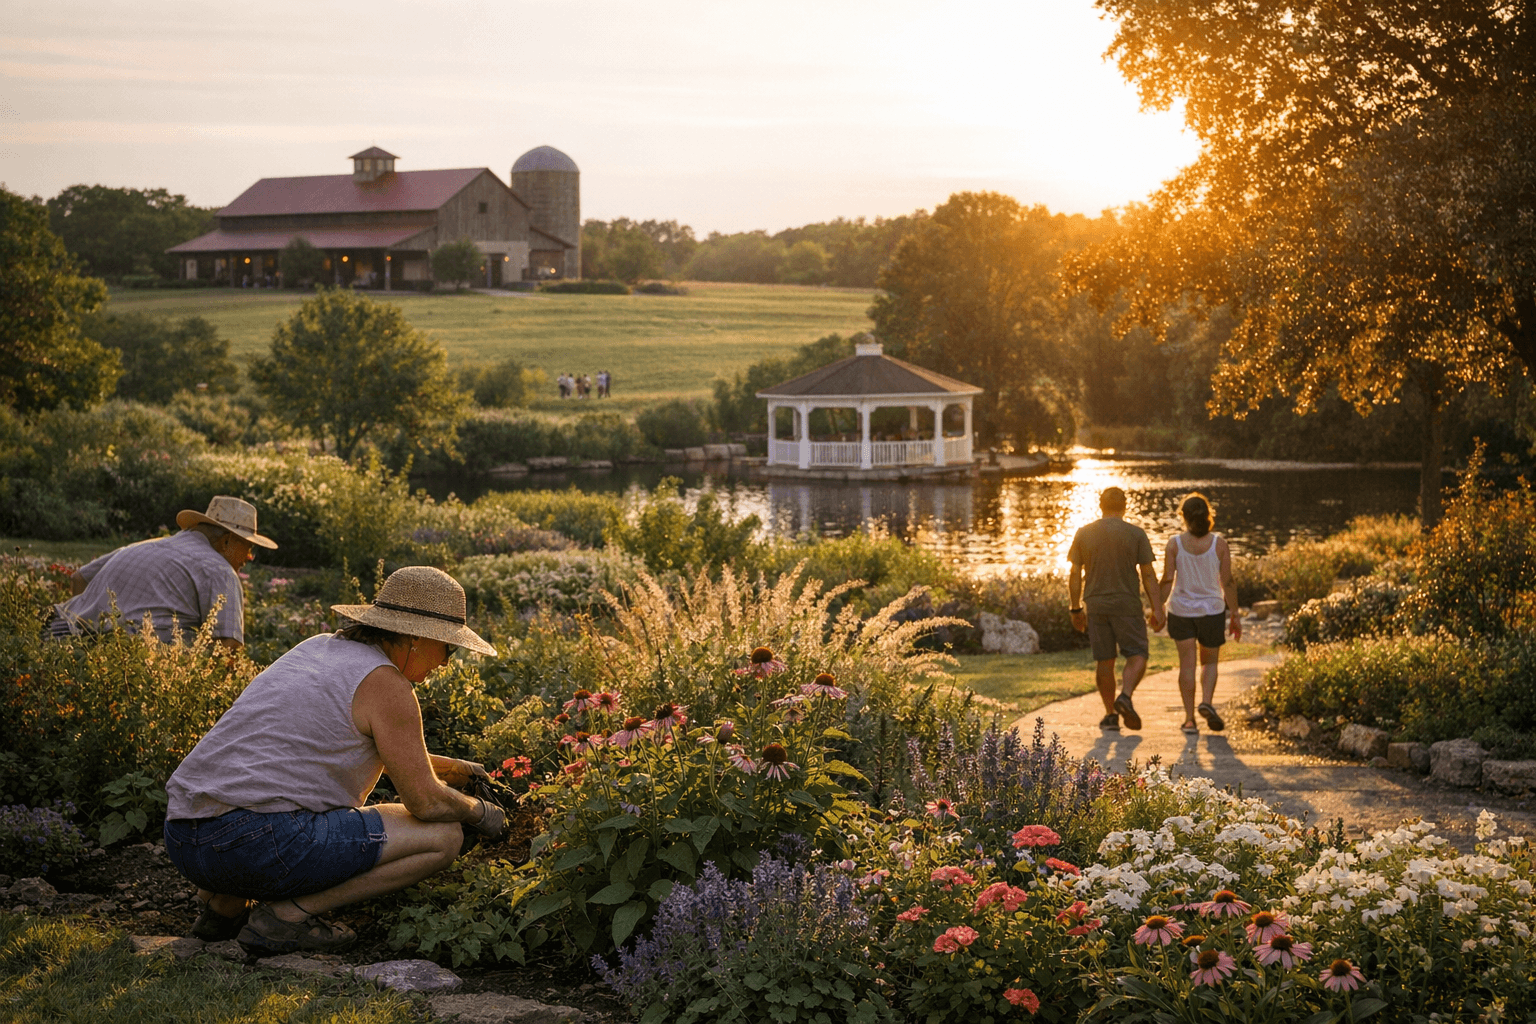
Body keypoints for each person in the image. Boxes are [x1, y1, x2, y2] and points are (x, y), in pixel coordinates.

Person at [162, 565, 507, 956]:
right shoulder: (388, 685)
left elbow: (338, 741)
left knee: (263, 796)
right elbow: (425, 801)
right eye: (449, 647)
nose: (446, 662)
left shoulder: (318, 649)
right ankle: (286, 918)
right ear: (416, 636)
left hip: (185, 839)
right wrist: (479, 812)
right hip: (255, 845)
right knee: (444, 838)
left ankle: (221, 908)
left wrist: (453, 769)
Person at [48, 496, 276, 651]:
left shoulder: (145, 546)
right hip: (125, 657)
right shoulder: (219, 570)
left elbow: (79, 578)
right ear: (226, 541)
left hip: (55, 633)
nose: (249, 557)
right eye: (248, 547)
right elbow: (228, 648)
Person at [1067, 486, 1164, 732]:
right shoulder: (1136, 534)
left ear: (1100, 506)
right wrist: (1158, 608)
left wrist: (1075, 608)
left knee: (1105, 660)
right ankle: (1125, 696)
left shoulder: (1084, 533)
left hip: (1096, 604)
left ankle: (1110, 715)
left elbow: (1075, 573)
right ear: (1125, 506)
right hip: (1127, 604)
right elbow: (1148, 574)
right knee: (1138, 653)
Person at [1158, 493, 1242, 734]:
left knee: (1187, 665)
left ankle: (1189, 720)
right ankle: (1206, 702)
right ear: (1208, 515)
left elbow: (1167, 580)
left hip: (1181, 611)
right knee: (1210, 662)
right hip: (1212, 611)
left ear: (1183, 517)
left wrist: (1157, 607)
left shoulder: (1174, 544)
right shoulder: (1219, 544)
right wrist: (1235, 614)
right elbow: (1228, 582)